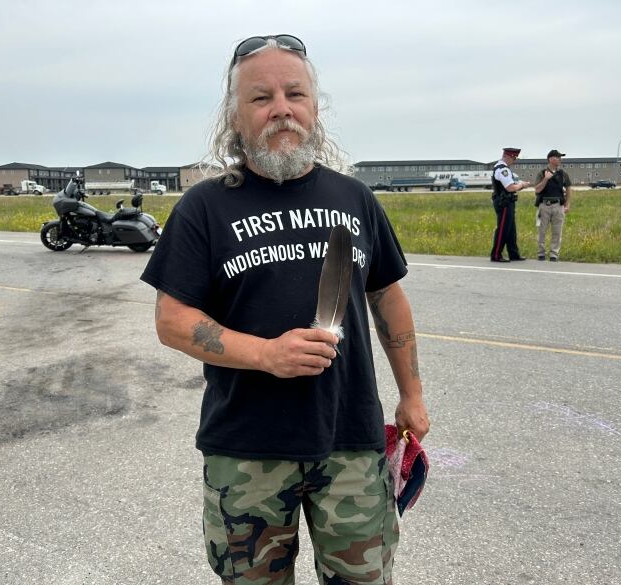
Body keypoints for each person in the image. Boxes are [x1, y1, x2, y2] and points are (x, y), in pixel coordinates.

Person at [140, 34, 429, 584]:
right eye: (260, 97)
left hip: (350, 442)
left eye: (294, 93)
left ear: (315, 109)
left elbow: (388, 297)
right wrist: (266, 354)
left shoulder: (354, 199)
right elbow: (172, 320)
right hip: (247, 450)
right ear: (235, 115)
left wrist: (412, 396)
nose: (281, 109)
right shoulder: (205, 206)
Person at [489, 147, 531, 262]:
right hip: (504, 202)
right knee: (503, 229)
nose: (514, 161)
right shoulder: (503, 169)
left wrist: (520, 185)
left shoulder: (501, 168)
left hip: (507, 201)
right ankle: (496, 254)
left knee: (511, 229)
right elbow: (510, 187)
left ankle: (513, 253)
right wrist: (522, 185)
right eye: (514, 158)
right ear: (508, 156)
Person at [534, 149, 571, 261]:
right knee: (541, 231)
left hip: (558, 206)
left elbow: (569, 189)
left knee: (557, 232)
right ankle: (541, 253)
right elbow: (537, 190)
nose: (560, 159)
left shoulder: (563, 174)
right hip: (544, 205)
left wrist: (567, 204)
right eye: (558, 157)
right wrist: (546, 178)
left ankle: (554, 254)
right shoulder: (541, 173)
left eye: (560, 157)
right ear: (550, 159)